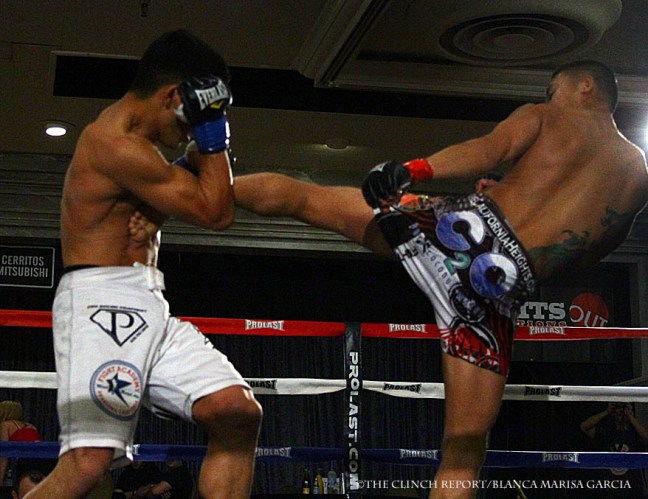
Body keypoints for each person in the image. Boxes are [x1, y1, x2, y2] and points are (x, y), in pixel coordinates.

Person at [230, 60, 648, 498]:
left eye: (553, 88)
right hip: (502, 283)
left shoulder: (546, 116)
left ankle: (203, 189)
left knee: (307, 198)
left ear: (585, 86)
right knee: (464, 451)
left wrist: (414, 170)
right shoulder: (636, 175)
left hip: (463, 227)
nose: (549, 96)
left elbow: (490, 148)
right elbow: (585, 258)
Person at [24, 29, 262, 499]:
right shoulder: (114, 143)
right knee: (87, 463)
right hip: (100, 305)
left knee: (236, 411)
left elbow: (197, 181)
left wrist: (179, 184)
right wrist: (213, 132)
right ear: (174, 96)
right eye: (195, 114)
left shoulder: (142, 151)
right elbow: (217, 211)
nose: (192, 130)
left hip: (149, 300)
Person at [580, 402, 648, 497]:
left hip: (633, 488)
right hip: (610, 488)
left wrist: (630, 416)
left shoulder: (634, 433)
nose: (620, 412)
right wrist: (607, 411)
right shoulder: (606, 433)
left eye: (622, 408)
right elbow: (584, 427)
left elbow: (646, 437)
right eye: (618, 408)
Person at [0, 401, 42, 486]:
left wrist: (0, 480)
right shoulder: (31, 427)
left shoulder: (5, 425)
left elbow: (4, 454)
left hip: (24, 465)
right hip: (41, 463)